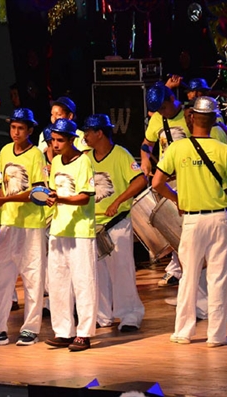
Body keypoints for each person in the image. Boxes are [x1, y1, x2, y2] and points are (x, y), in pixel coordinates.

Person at [152, 97, 227, 347]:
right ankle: (216, 335)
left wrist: (177, 199)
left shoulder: (177, 148)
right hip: (218, 218)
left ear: (191, 117)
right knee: (218, 277)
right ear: (215, 119)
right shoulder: (223, 150)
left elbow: (156, 183)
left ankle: (183, 331)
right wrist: (225, 193)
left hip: (192, 220)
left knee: (189, 275)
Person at [0, 108, 47, 346]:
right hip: (9, 221)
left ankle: (30, 328)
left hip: (31, 224)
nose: (16, 132)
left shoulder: (36, 155)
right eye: (13, 127)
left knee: (32, 275)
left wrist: (5, 199)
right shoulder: (4, 151)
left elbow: (38, 193)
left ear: (30, 131)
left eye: (21, 128)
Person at [83, 114, 147, 331]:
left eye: (88, 132)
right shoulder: (85, 158)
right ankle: (102, 316)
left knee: (122, 270)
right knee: (97, 273)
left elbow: (140, 180)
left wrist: (119, 201)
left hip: (117, 223)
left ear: (99, 133)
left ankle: (130, 315)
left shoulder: (120, 154)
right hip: (93, 224)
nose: (85, 136)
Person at [44, 118, 97, 352]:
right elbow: (55, 191)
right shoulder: (55, 162)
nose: (55, 144)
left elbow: (85, 196)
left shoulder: (83, 161)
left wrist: (60, 198)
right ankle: (63, 331)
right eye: (53, 140)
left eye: (60, 140)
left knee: (83, 282)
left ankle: (84, 333)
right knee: (57, 283)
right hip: (58, 228)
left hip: (80, 231)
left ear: (71, 140)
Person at [140, 82, 190, 288]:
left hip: (188, 177)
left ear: (172, 99)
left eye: (163, 108)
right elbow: (147, 143)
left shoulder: (189, 116)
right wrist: (145, 159)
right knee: (172, 226)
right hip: (167, 179)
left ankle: (187, 269)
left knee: (187, 227)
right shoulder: (157, 120)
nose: (162, 113)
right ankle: (176, 268)